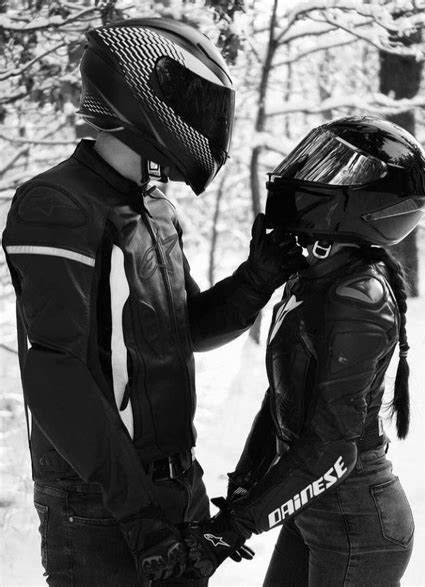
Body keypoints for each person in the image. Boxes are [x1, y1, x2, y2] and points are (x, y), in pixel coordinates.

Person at [2, 18, 305, 587]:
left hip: (175, 486)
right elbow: (54, 376)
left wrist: (257, 278)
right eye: (192, 103)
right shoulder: (56, 202)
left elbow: (184, 330)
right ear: (144, 98)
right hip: (97, 500)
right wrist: (139, 518)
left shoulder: (155, 208)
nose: (204, 121)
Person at [179, 116, 425, 585]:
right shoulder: (315, 276)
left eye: (331, 168)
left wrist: (231, 529)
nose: (305, 174)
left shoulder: (357, 298)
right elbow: (283, 399)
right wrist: (244, 485)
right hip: (317, 511)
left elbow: (333, 448)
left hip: (358, 527)